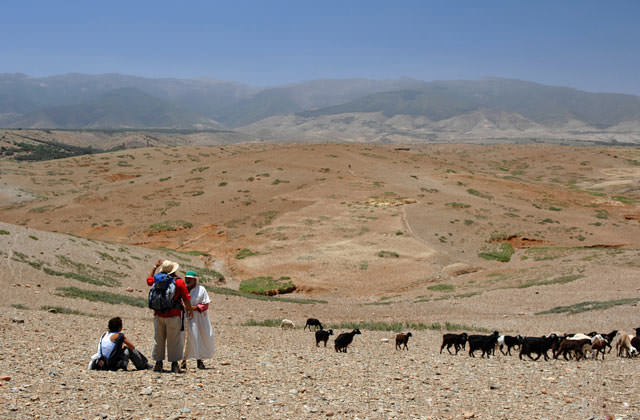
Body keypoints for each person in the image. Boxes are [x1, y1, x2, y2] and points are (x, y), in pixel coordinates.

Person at [147, 259, 194, 373]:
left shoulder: (157, 279)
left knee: (159, 339)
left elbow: (149, 281)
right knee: (174, 340)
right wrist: (190, 310)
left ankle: (158, 363)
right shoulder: (178, 282)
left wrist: (154, 267)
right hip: (173, 315)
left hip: (158, 314)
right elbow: (186, 298)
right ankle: (174, 364)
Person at [181, 271, 215, 370]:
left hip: (198, 318)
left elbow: (205, 304)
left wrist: (193, 308)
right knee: (185, 338)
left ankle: (199, 360)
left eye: (190, 278)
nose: (188, 280)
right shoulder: (183, 289)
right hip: (184, 316)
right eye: (187, 278)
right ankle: (183, 360)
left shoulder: (201, 290)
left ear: (195, 280)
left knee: (198, 337)